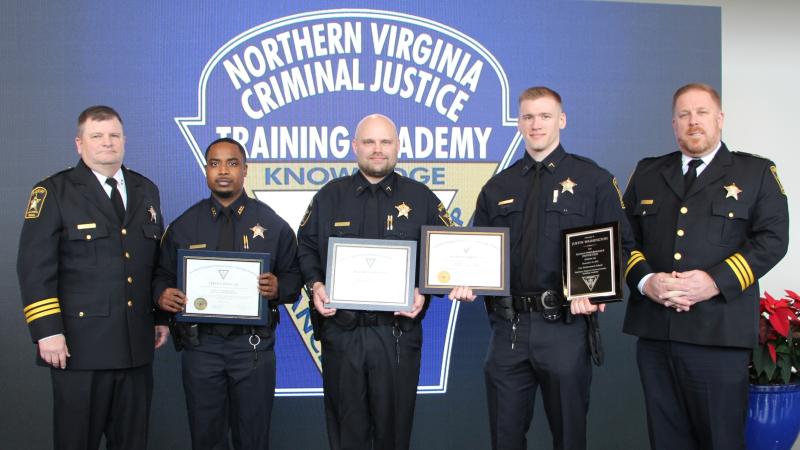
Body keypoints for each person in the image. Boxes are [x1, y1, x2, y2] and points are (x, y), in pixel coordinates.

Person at [452, 86, 633, 450]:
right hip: (509, 329)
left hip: (565, 325)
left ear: (561, 120)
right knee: (505, 437)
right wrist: (464, 280)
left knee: (569, 436)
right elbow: (476, 251)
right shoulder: (497, 186)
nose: (536, 124)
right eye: (528, 117)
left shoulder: (594, 180)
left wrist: (598, 290)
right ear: (519, 123)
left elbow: (622, 245)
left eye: (545, 116)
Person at [622, 83, 789, 450]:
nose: (693, 121)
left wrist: (713, 282)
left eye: (701, 112)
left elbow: (773, 239)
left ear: (720, 118)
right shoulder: (648, 172)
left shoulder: (756, 172)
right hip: (657, 334)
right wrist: (646, 281)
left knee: (720, 441)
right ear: (674, 124)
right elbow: (622, 238)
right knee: (666, 441)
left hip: (719, 335)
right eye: (684, 114)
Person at [297, 114, 454, 450]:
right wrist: (316, 285)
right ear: (355, 146)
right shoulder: (330, 196)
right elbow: (305, 247)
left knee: (393, 435)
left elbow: (447, 251)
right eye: (369, 141)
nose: (378, 149)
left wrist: (423, 289)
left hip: (396, 336)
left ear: (398, 146)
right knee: (346, 435)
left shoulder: (421, 197)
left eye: (385, 142)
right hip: (343, 334)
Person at [16, 105, 168, 449]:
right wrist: (47, 331)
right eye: (96, 136)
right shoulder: (54, 192)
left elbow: (154, 262)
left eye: (114, 135)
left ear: (124, 140)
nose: (107, 143)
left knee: (132, 443)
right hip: (79, 349)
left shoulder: (146, 189)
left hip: (135, 347)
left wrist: (160, 316)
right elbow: (34, 266)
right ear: (79, 143)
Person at [154, 137, 302, 450]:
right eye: (215, 163)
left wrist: (279, 288)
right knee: (206, 438)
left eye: (232, 163)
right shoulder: (183, 226)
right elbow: (161, 274)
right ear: (206, 169)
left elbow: (294, 277)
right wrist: (161, 295)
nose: (223, 171)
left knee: (253, 439)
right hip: (201, 348)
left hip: (252, 348)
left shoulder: (273, 224)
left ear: (245, 170)